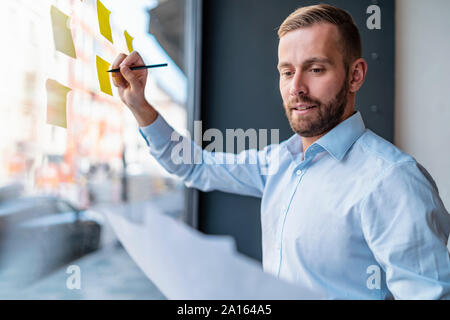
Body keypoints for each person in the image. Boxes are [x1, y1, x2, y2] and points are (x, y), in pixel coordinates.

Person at [111, 4, 450, 299]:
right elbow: (195, 166)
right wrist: (139, 106)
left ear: (355, 75)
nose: (296, 88)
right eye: (287, 72)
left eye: (315, 69)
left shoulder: (393, 181)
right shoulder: (279, 163)